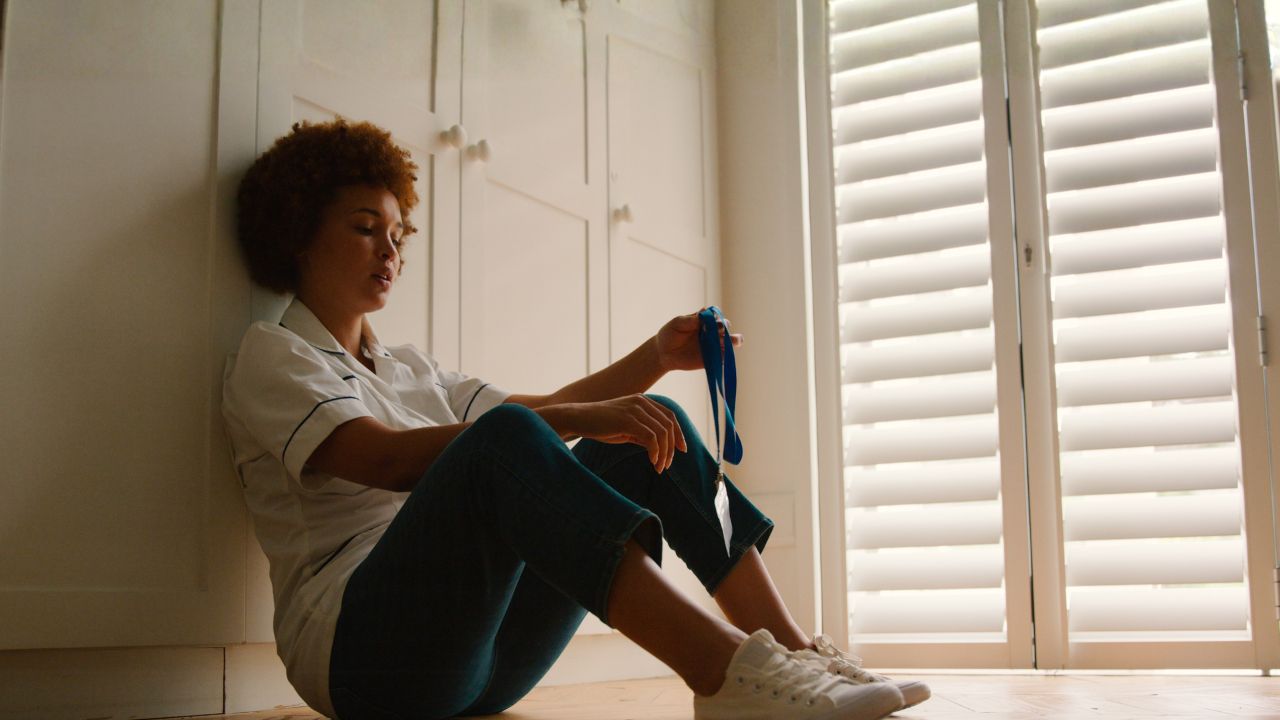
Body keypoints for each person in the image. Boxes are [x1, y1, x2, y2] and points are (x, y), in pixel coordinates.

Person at [221, 116, 930, 720]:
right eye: (365, 228)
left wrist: (654, 359)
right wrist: (576, 415)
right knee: (507, 441)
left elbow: (537, 419)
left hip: (483, 661)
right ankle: (725, 675)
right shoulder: (274, 355)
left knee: (650, 425)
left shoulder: (407, 366)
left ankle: (802, 657)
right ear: (298, 235)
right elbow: (384, 460)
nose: (391, 250)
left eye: (400, 234)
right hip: (367, 659)